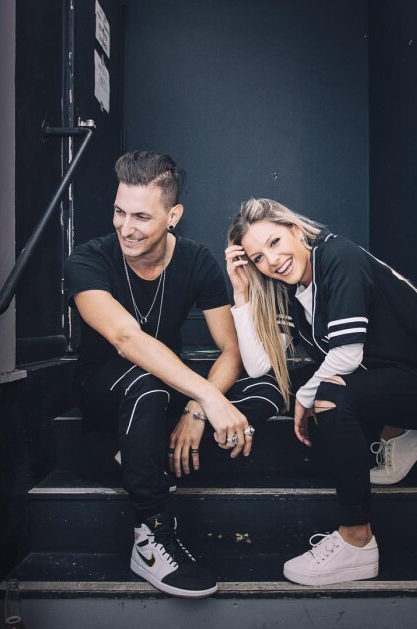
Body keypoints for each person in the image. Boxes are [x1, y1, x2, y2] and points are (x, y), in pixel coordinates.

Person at [225, 198, 417, 586]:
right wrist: (242, 294)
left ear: (295, 230)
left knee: (331, 396)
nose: (272, 261)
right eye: (258, 258)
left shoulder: (337, 256)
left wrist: (305, 398)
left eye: (275, 242)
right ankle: (400, 432)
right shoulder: (296, 291)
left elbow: (347, 354)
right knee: (303, 381)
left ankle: (356, 539)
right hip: (401, 382)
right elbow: (260, 366)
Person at [64, 153, 283, 598]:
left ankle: (145, 459)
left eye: (142, 216)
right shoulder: (87, 259)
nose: (126, 227)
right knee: (144, 383)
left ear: (173, 216)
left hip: (168, 394)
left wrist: (198, 409)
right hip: (107, 390)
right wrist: (210, 397)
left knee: (270, 384)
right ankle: (151, 535)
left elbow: (230, 350)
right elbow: (125, 337)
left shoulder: (196, 260)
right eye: (120, 212)